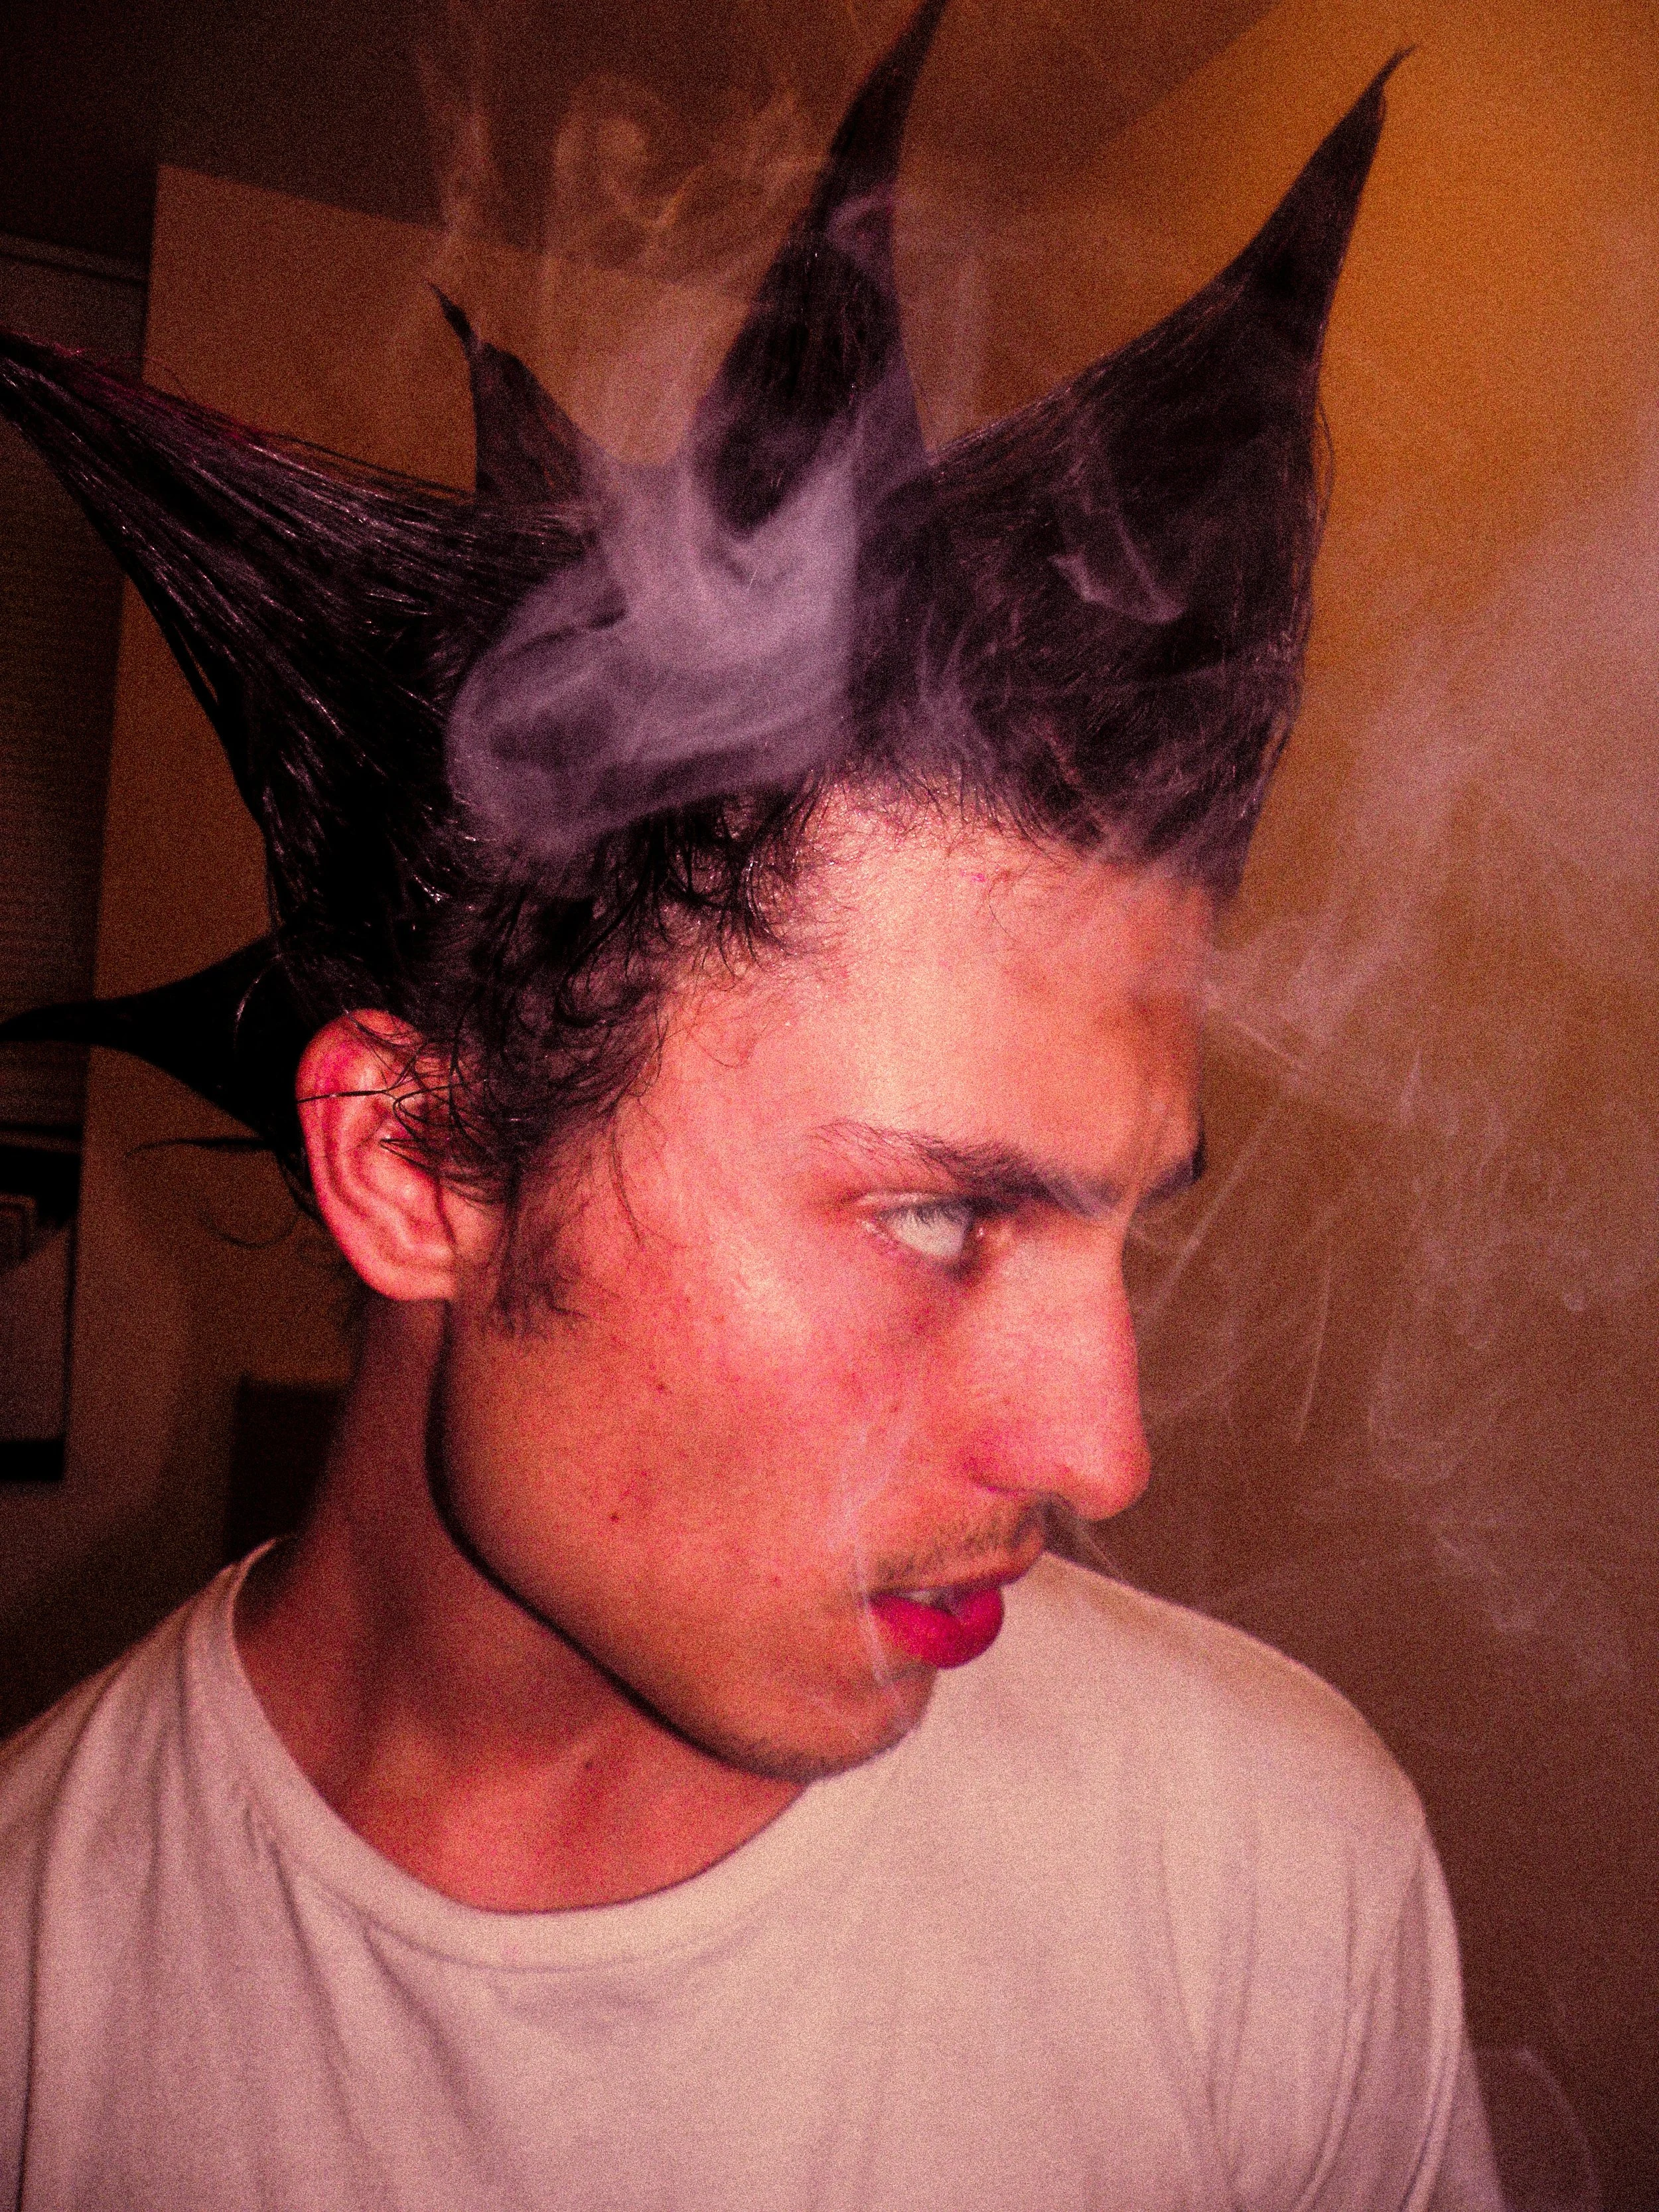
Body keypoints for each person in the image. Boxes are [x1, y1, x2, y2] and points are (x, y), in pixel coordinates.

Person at [0, 6, 1502, 2204]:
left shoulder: (1266, 1870)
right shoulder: (44, 2011)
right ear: (413, 1159)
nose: (1103, 1450)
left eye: (1121, 1221)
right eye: (934, 1217)